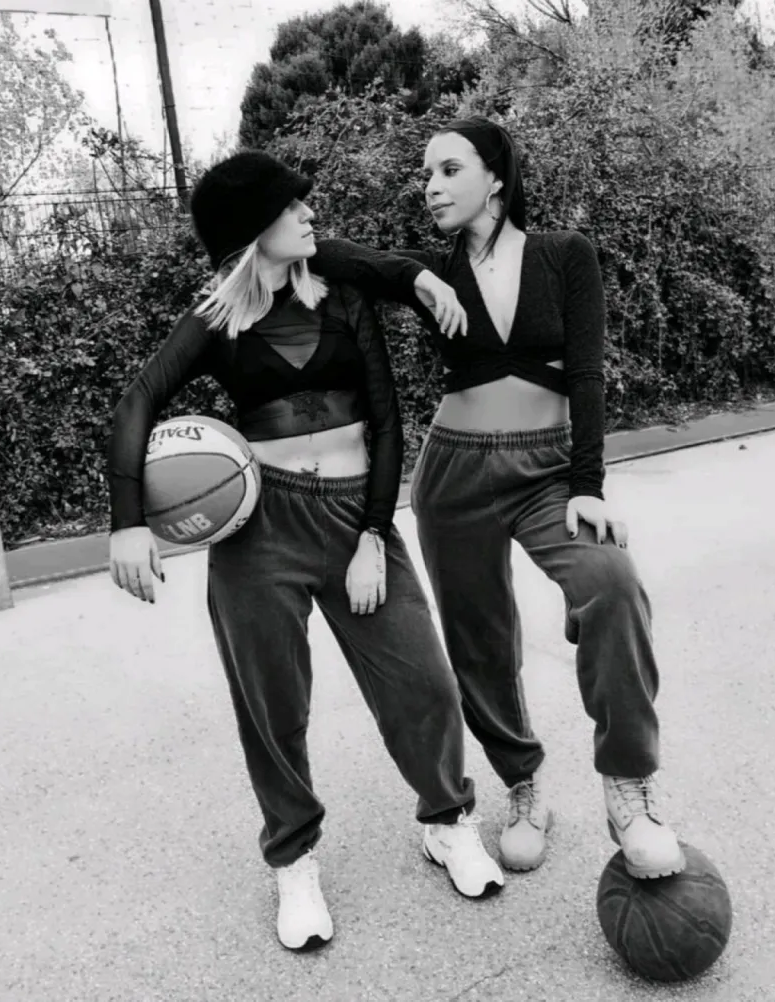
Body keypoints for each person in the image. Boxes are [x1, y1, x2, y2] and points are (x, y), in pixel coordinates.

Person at [106, 150, 503, 954]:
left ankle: (447, 821)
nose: (309, 211)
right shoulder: (219, 318)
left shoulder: (343, 294)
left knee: (421, 681)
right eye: (294, 204)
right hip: (260, 532)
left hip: (355, 517)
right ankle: (294, 860)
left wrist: (370, 534)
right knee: (272, 708)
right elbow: (140, 398)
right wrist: (126, 520)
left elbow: (387, 421)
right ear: (258, 229)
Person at [309, 117, 686, 881]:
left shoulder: (562, 255)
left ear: (497, 178)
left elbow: (586, 372)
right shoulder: (437, 270)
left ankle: (628, 789)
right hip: (456, 477)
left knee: (611, 585)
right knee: (480, 641)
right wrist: (412, 275)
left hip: (549, 471)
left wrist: (588, 485)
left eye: (449, 170)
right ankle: (523, 790)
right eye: (426, 176)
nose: (432, 187)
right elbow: (322, 249)